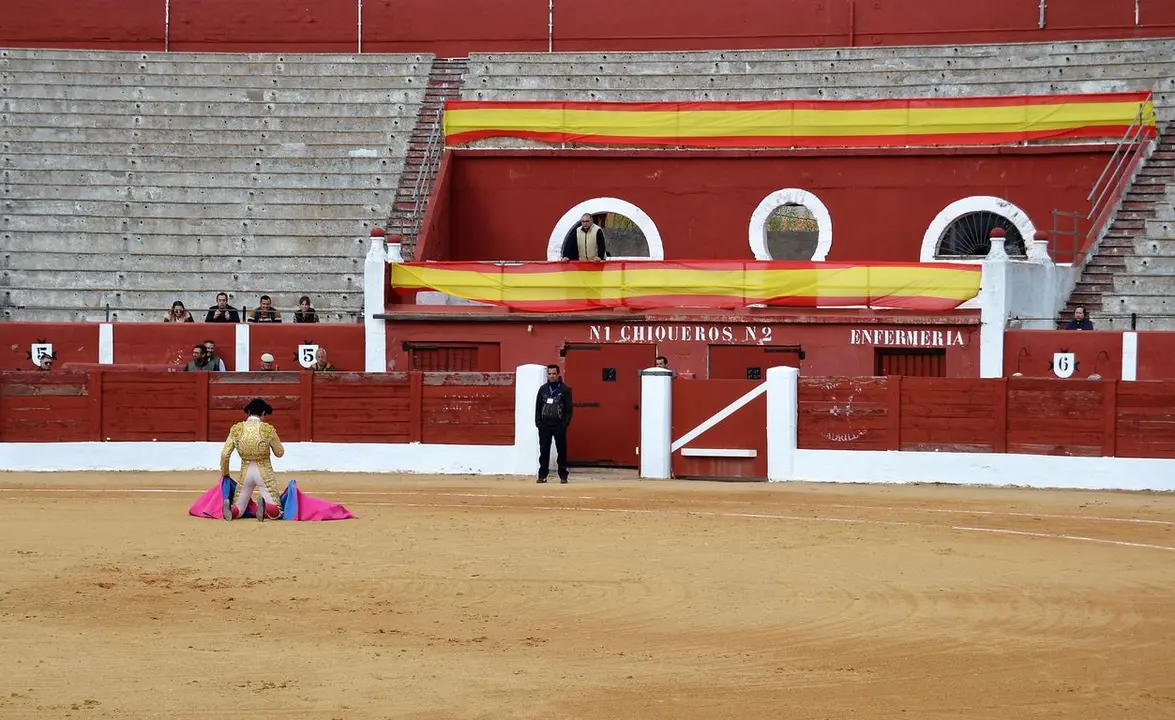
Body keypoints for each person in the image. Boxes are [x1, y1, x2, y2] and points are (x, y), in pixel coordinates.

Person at [219, 398, 286, 521]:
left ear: (249, 412)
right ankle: (266, 507)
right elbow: (279, 453)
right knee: (277, 511)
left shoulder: (237, 429)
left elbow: (224, 454)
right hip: (264, 471)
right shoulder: (267, 429)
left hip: (245, 472)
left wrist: (225, 473)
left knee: (239, 508)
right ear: (263, 413)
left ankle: (232, 510)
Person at [535, 363, 573, 484]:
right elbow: (538, 407)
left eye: (554, 374)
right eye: (549, 374)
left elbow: (568, 409)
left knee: (561, 450)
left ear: (558, 374)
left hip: (559, 425)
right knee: (544, 450)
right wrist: (538, 423)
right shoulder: (543, 389)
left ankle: (563, 475)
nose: (551, 376)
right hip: (545, 425)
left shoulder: (565, 389)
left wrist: (564, 424)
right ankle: (542, 475)